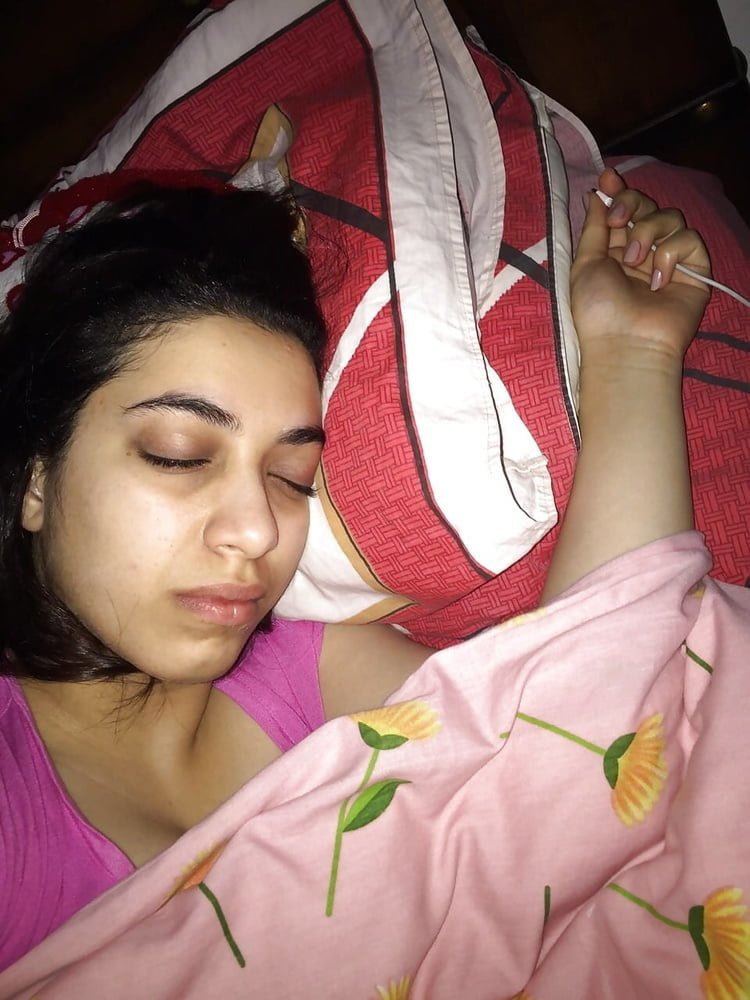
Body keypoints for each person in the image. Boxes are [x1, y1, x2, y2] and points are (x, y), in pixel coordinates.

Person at [0, 167, 710, 969]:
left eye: (290, 477)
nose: (257, 530)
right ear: (37, 479)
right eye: (179, 455)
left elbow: (588, 737)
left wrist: (634, 354)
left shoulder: (308, 672)